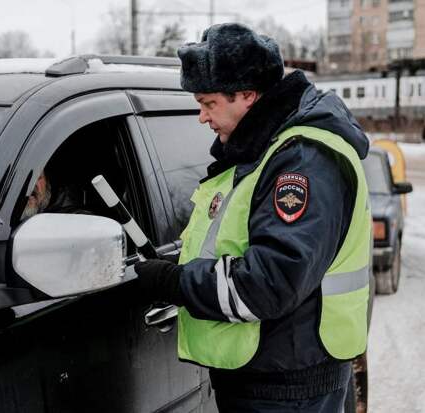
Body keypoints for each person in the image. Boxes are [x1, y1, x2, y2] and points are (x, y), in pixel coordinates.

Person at [134, 23, 371, 412]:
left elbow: (270, 283)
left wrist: (173, 281)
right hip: (271, 376)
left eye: (208, 104)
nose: (201, 117)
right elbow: (233, 241)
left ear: (247, 95)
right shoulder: (260, 152)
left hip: (290, 387)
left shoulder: (302, 162)